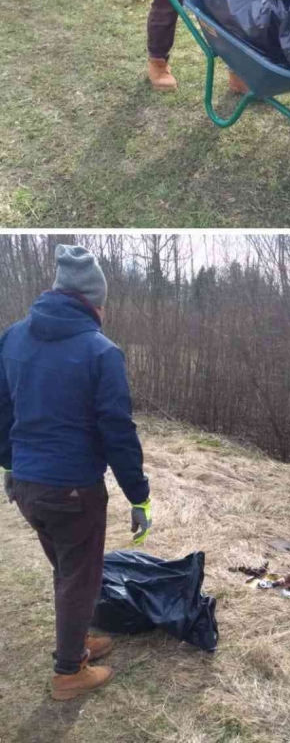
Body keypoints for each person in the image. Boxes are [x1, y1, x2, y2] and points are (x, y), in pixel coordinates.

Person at [0, 246, 152, 702]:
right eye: (103, 303)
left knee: (69, 571)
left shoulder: (12, 337)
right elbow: (117, 430)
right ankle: (69, 671)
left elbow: (2, 409)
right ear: (91, 301)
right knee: (77, 576)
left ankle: (76, 639)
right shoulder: (100, 351)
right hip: (73, 490)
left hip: (28, 486)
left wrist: (10, 465)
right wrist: (138, 495)